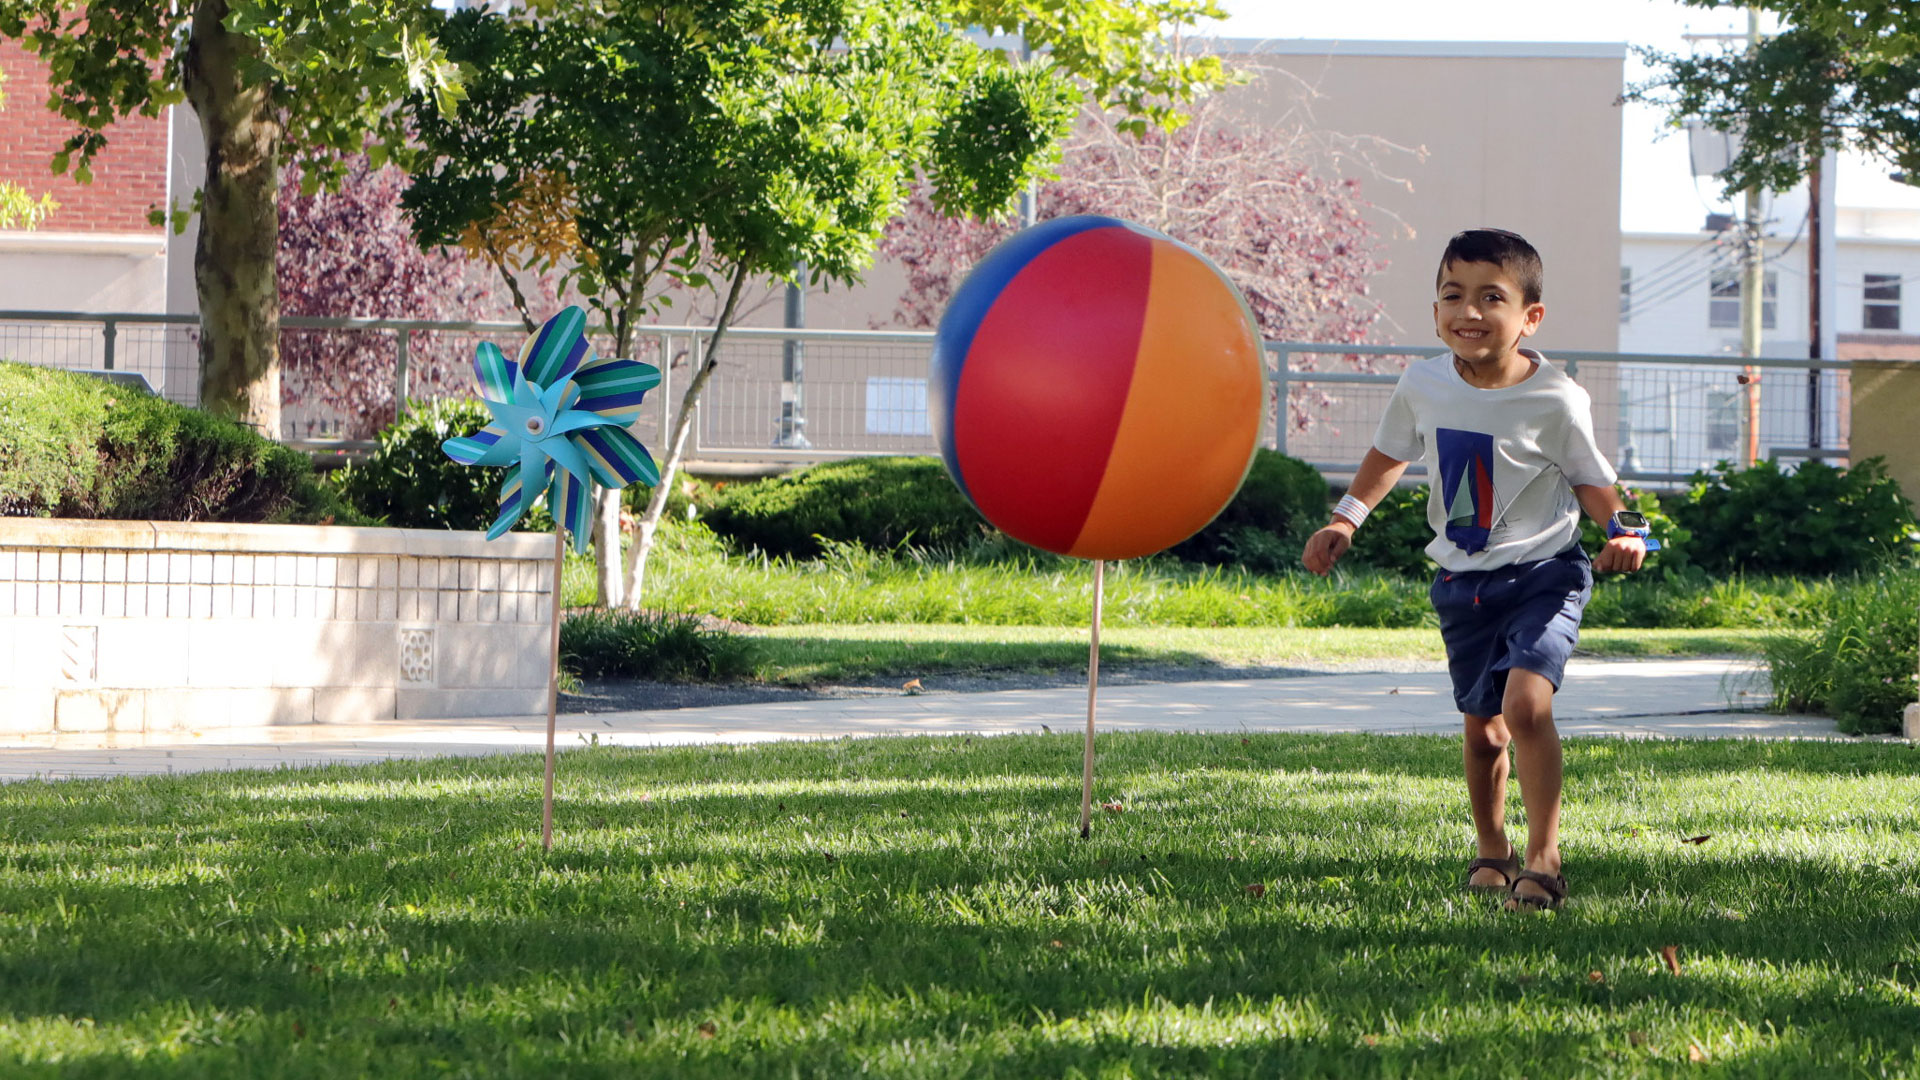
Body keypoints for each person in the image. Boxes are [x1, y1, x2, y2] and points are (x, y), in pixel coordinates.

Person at [1302, 228, 1651, 911]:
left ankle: (1545, 857)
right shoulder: (1424, 382)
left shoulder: (1556, 397)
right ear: (1435, 311)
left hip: (1545, 574)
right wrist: (1345, 518)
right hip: (1463, 582)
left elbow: (1594, 482)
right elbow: (1387, 456)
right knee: (1482, 725)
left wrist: (1628, 534)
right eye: (1451, 295)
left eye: (1491, 297)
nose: (1468, 311)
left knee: (1525, 705)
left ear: (1529, 317)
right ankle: (1493, 848)